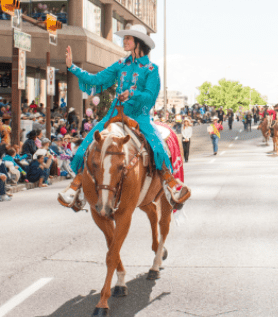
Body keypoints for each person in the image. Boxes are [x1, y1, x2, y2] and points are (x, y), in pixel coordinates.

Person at [57, 24, 191, 210]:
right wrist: (73, 67)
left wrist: (132, 93)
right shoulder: (121, 64)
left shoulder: (151, 69)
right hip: (114, 114)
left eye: (128, 38)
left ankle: (170, 184)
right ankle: (77, 187)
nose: (124, 41)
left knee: (159, 148)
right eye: (125, 38)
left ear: (139, 42)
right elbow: (97, 80)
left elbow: (150, 97)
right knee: (85, 147)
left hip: (139, 116)